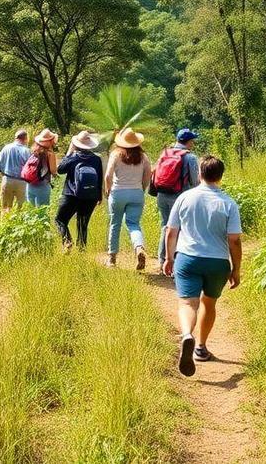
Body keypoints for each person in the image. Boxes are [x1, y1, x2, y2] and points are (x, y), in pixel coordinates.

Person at [162, 156, 242, 377]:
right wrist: (236, 269)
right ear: (221, 176)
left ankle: (187, 334)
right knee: (209, 302)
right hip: (217, 262)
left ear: (200, 174)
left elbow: (171, 231)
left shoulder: (185, 198)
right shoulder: (228, 203)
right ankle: (201, 347)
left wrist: (169, 258)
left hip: (188, 258)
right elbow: (234, 240)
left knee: (188, 303)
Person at [103, 127, 152, 270]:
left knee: (115, 224)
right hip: (136, 193)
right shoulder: (143, 157)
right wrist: (141, 189)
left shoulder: (116, 154)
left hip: (118, 193)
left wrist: (108, 189)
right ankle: (138, 248)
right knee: (133, 224)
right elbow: (148, 175)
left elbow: (108, 176)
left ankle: (112, 260)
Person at [152, 128, 201, 269]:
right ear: (189, 141)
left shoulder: (165, 153)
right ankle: (175, 262)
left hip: (161, 194)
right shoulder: (190, 157)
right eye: (192, 140)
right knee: (179, 228)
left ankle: (162, 261)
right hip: (179, 197)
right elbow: (195, 181)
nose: (193, 143)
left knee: (165, 226)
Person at [55, 130, 103, 253]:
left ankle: (67, 241)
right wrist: (99, 196)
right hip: (91, 196)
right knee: (82, 224)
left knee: (60, 220)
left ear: (76, 144)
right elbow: (100, 177)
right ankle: (82, 251)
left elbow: (60, 170)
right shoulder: (96, 159)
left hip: (71, 194)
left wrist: (69, 152)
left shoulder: (73, 157)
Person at [0, 129, 32, 216]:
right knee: (21, 208)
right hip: (22, 182)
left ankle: (4, 226)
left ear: (16, 138)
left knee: (5, 207)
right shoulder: (27, 151)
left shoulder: (6, 148)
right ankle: (17, 225)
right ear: (25, 138)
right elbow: (30, 168)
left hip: (7, 179)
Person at [24, 128, 59, 206]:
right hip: (43, 185)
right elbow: (53, 171)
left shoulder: (34, 150)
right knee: (42, 212)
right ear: (50, 141)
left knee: (31, 210)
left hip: (30, 183)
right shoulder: (50, 154)